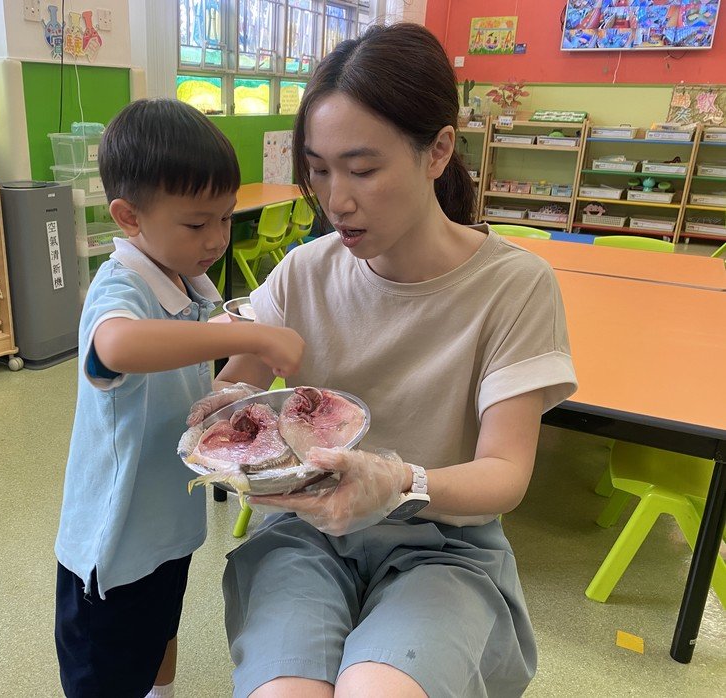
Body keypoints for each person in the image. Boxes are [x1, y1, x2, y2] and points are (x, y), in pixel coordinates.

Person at [189, 23, 577, 698]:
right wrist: (219, 410)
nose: (336, 200)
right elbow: (239, 389)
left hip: (443, 545)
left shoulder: (514, 286)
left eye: (363, 169)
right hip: (306, 536)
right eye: (318, 170)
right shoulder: (304, 271)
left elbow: (505, 474)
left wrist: (399, 482)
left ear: (437, 151)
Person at [54, 99, 305, 698]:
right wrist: (249, 335)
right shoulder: (121, 286)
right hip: (115, 545)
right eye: (197, 225)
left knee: (161, 632)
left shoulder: (184, 279)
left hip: (166, 526)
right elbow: (116, 346)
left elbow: (180, 384)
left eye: (226, 218)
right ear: (129, 217)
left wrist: (226, 396)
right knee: (109, 671)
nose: (216, 239)